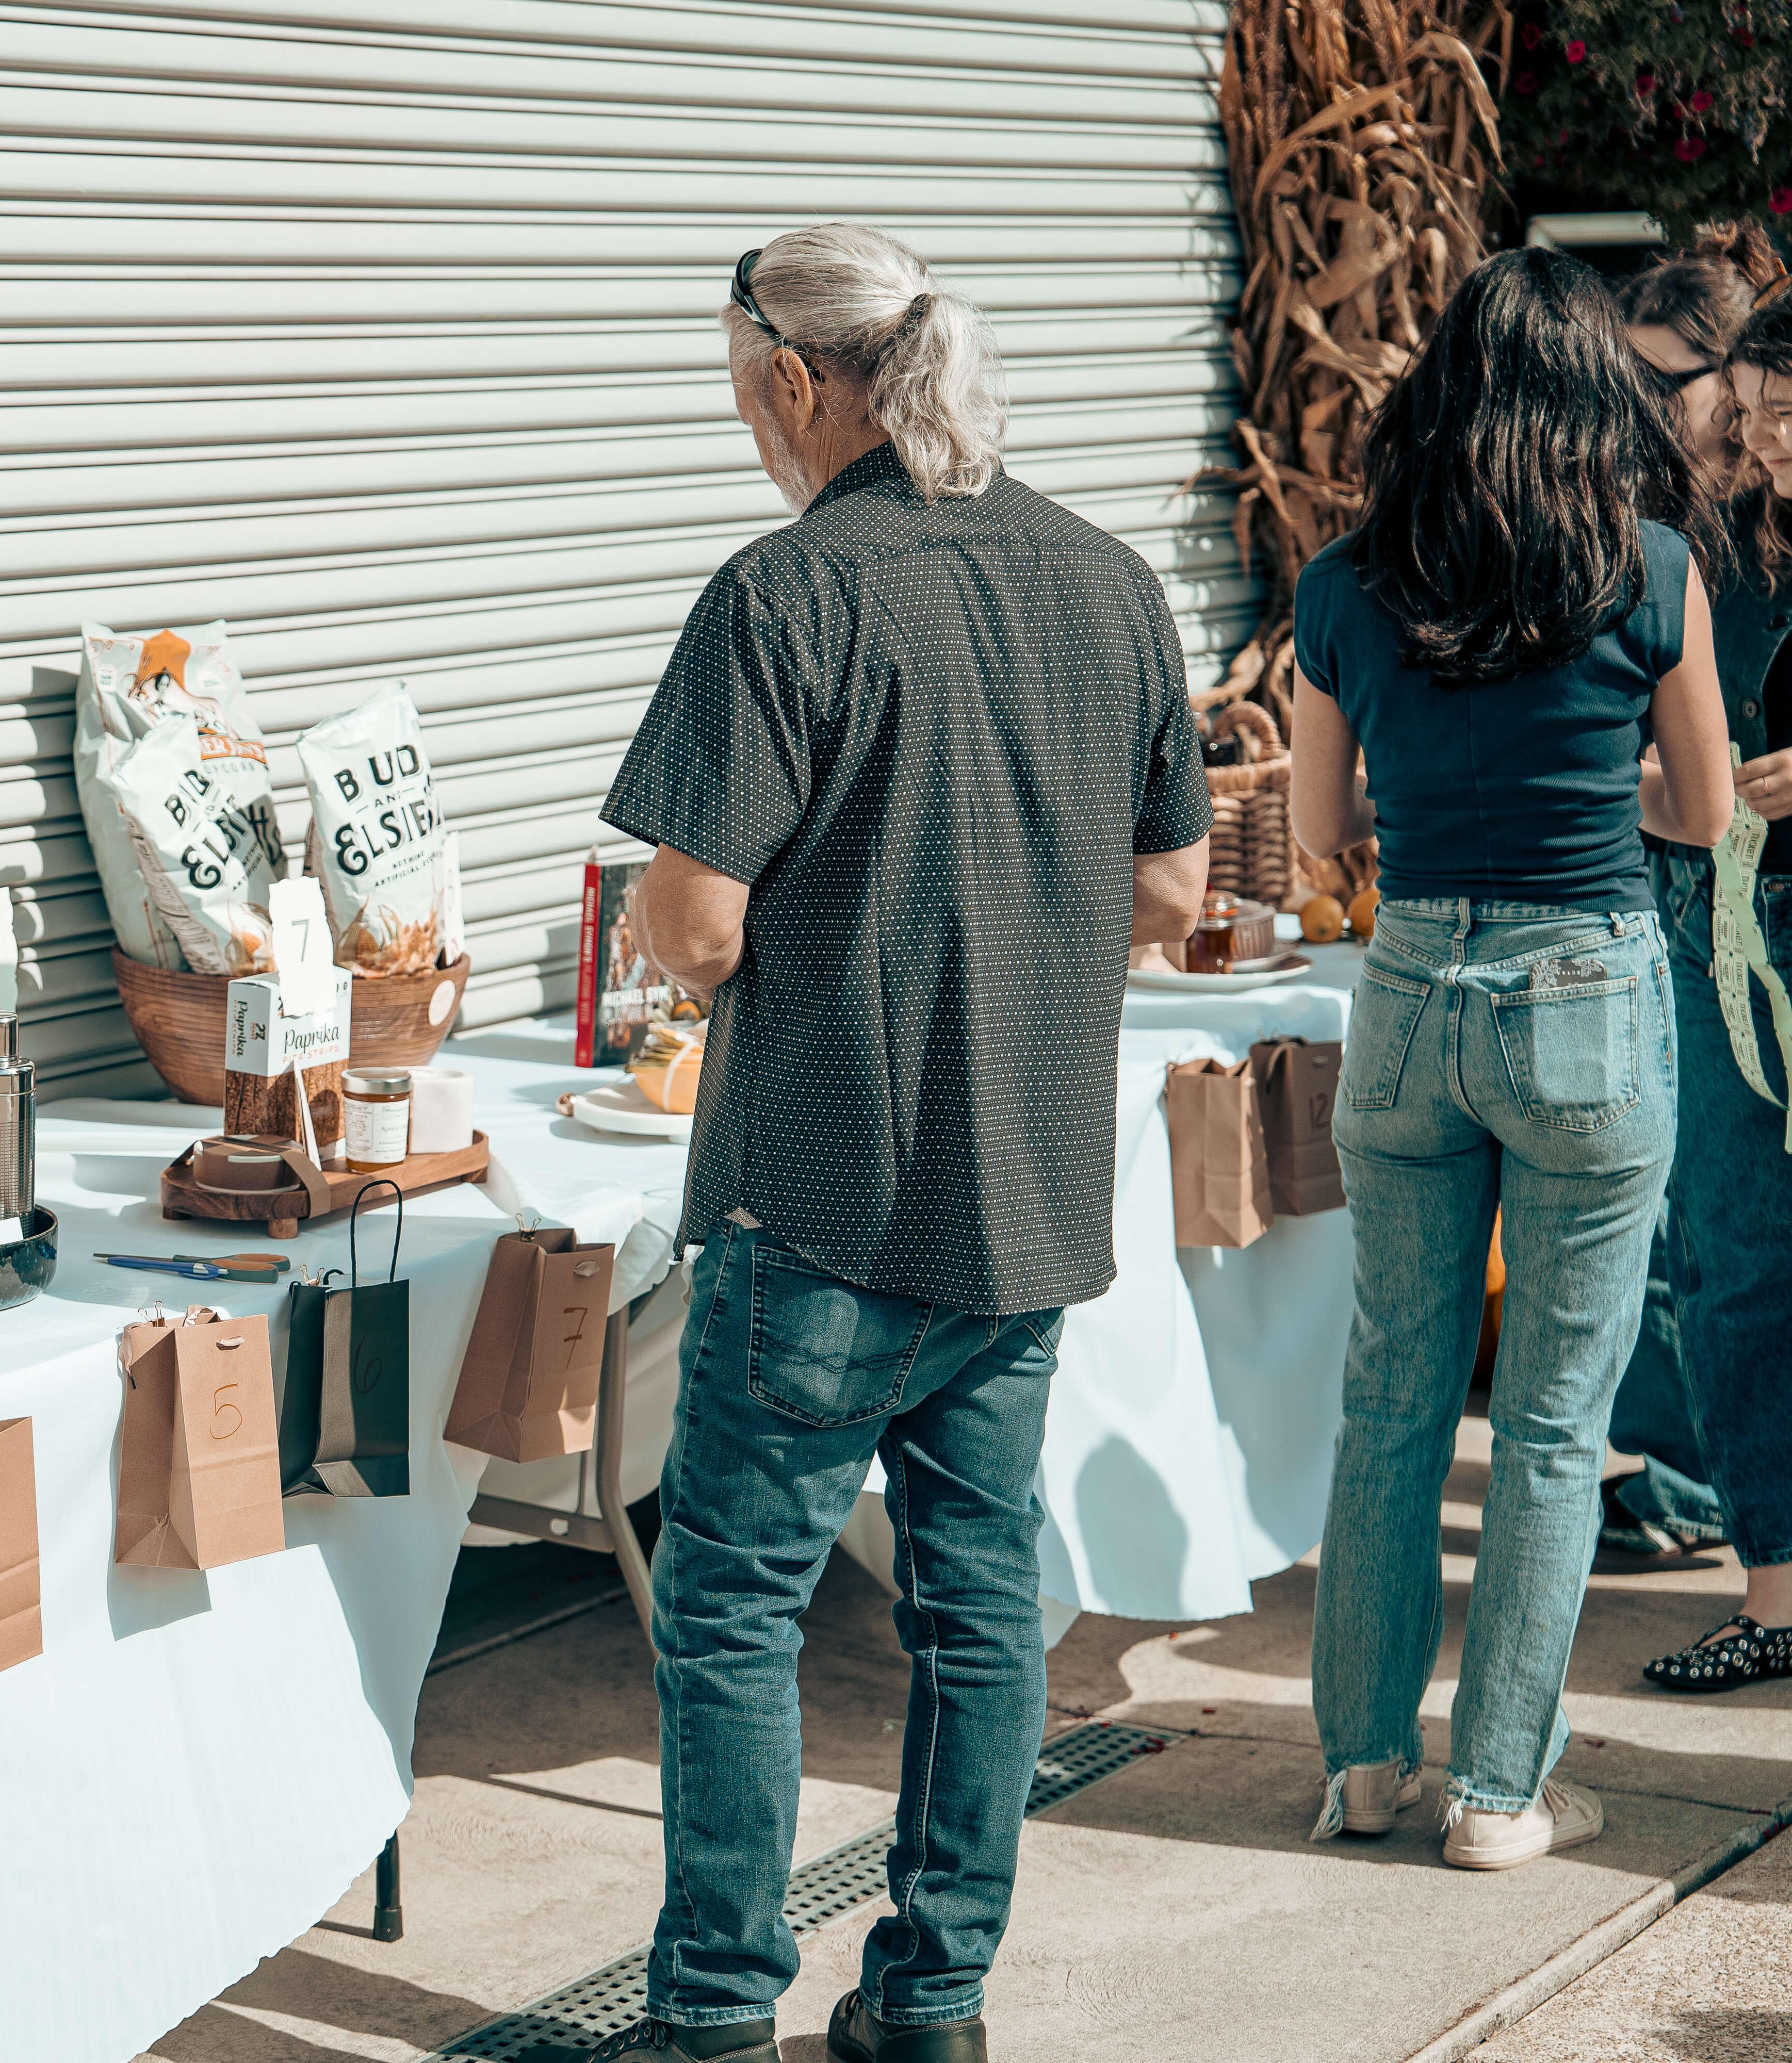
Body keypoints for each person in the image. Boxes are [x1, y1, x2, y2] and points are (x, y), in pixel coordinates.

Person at [572, 223, 1214, 2063]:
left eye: (738, 392)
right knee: (979, 1604)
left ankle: (709, 2020)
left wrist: (850, 918)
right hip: (1019, 1196)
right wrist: (994, 906)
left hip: (820, 1197)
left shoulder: (786, 593)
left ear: (797, 379)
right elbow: (1171, 885)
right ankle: (929, 2006)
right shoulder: (1104, 580)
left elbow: (690, 928)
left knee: (734, 1612)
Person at [1292, 248, 1735, 1870]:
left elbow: (1323, 830)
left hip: (1412, 989)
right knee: (1553, 1422)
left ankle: (1362, 1770)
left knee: (1391, 1403)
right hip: (1588, 994)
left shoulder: (1342, 584)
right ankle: (1500, 1792)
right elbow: (1700, 811)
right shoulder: (1652, 573)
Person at [1604, 226, 1782, 1561]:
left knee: (1728, 1243)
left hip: (1748, 904)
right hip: (1685, 904)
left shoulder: (1764, 517)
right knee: (1699, 1234)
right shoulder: (1660, 518)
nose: (1652, 412)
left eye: (1673, 380)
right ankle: (1693, 1479)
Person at [1636, 293, 1792, 1691]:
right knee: (1736, 1259)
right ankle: (1777, 1588)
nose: (1762, 440)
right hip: (1719, 928)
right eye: (1750, 414)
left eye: (1786, 412)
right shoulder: (1709, 555)